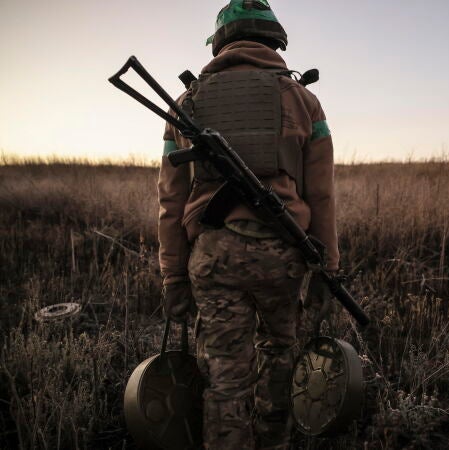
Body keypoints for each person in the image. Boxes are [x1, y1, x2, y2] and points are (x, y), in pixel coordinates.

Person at [157, 1, 338, 448]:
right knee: (279, 354)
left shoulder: (186, 102)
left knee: (224, 376)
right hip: (284, 252)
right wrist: (328, 267)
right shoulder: (304, 99)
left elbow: (170, 200)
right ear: (275, 40)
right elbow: (323, 195)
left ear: (220, 42)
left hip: (213, 257)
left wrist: (173, 275)